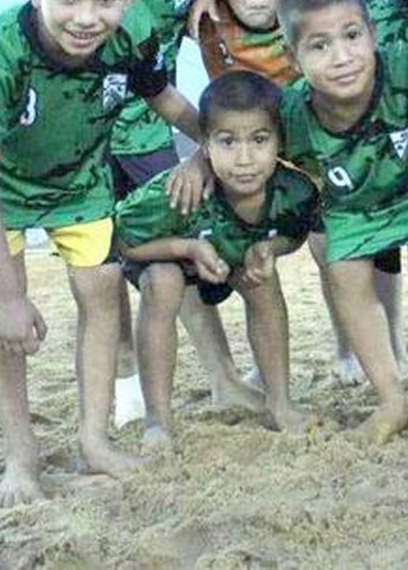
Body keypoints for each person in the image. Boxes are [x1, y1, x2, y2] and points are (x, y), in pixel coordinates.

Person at [0, 0, 203, 505]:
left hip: (79, 181)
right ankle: (22, 456)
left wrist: (213, 147)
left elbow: (169, 103)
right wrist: (11, 295)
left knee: (100, 286)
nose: (86, 17)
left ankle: (94, 438)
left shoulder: (130, 38)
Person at [275, 0, 408, 443]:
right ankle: (392, 400)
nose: (342, 57)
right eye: (319, 46)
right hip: (354, 208)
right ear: (292, 58)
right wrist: (196, 162)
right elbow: (238, 134)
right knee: (343, 270)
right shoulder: (291, 112)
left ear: (373, 33)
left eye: (352, 36)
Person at [117, 71, 315, 448]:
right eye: (227, 142)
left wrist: (270, 250)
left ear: (280, 142)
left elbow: (295, 231)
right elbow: (125, 242)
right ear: (204, 146)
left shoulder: (295, 191)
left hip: (229, 252)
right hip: (169, 253)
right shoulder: (177, 193)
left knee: (261, 279)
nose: (244, 159)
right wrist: (185, 249)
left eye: (259, 140)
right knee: (163, 282)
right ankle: (157, 419)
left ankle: (280, 403)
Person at [289, 0, 408, 383]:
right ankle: (349, 344)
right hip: (337, 127)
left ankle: (392, 340)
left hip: (405, 120)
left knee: (395, 247)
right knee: (338, 242)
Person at [107, 0, 219, 426]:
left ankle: (223, 381)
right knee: (104, 272)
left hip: (155, 132)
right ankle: (126, 390)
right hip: (94, 142)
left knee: (184, 256)